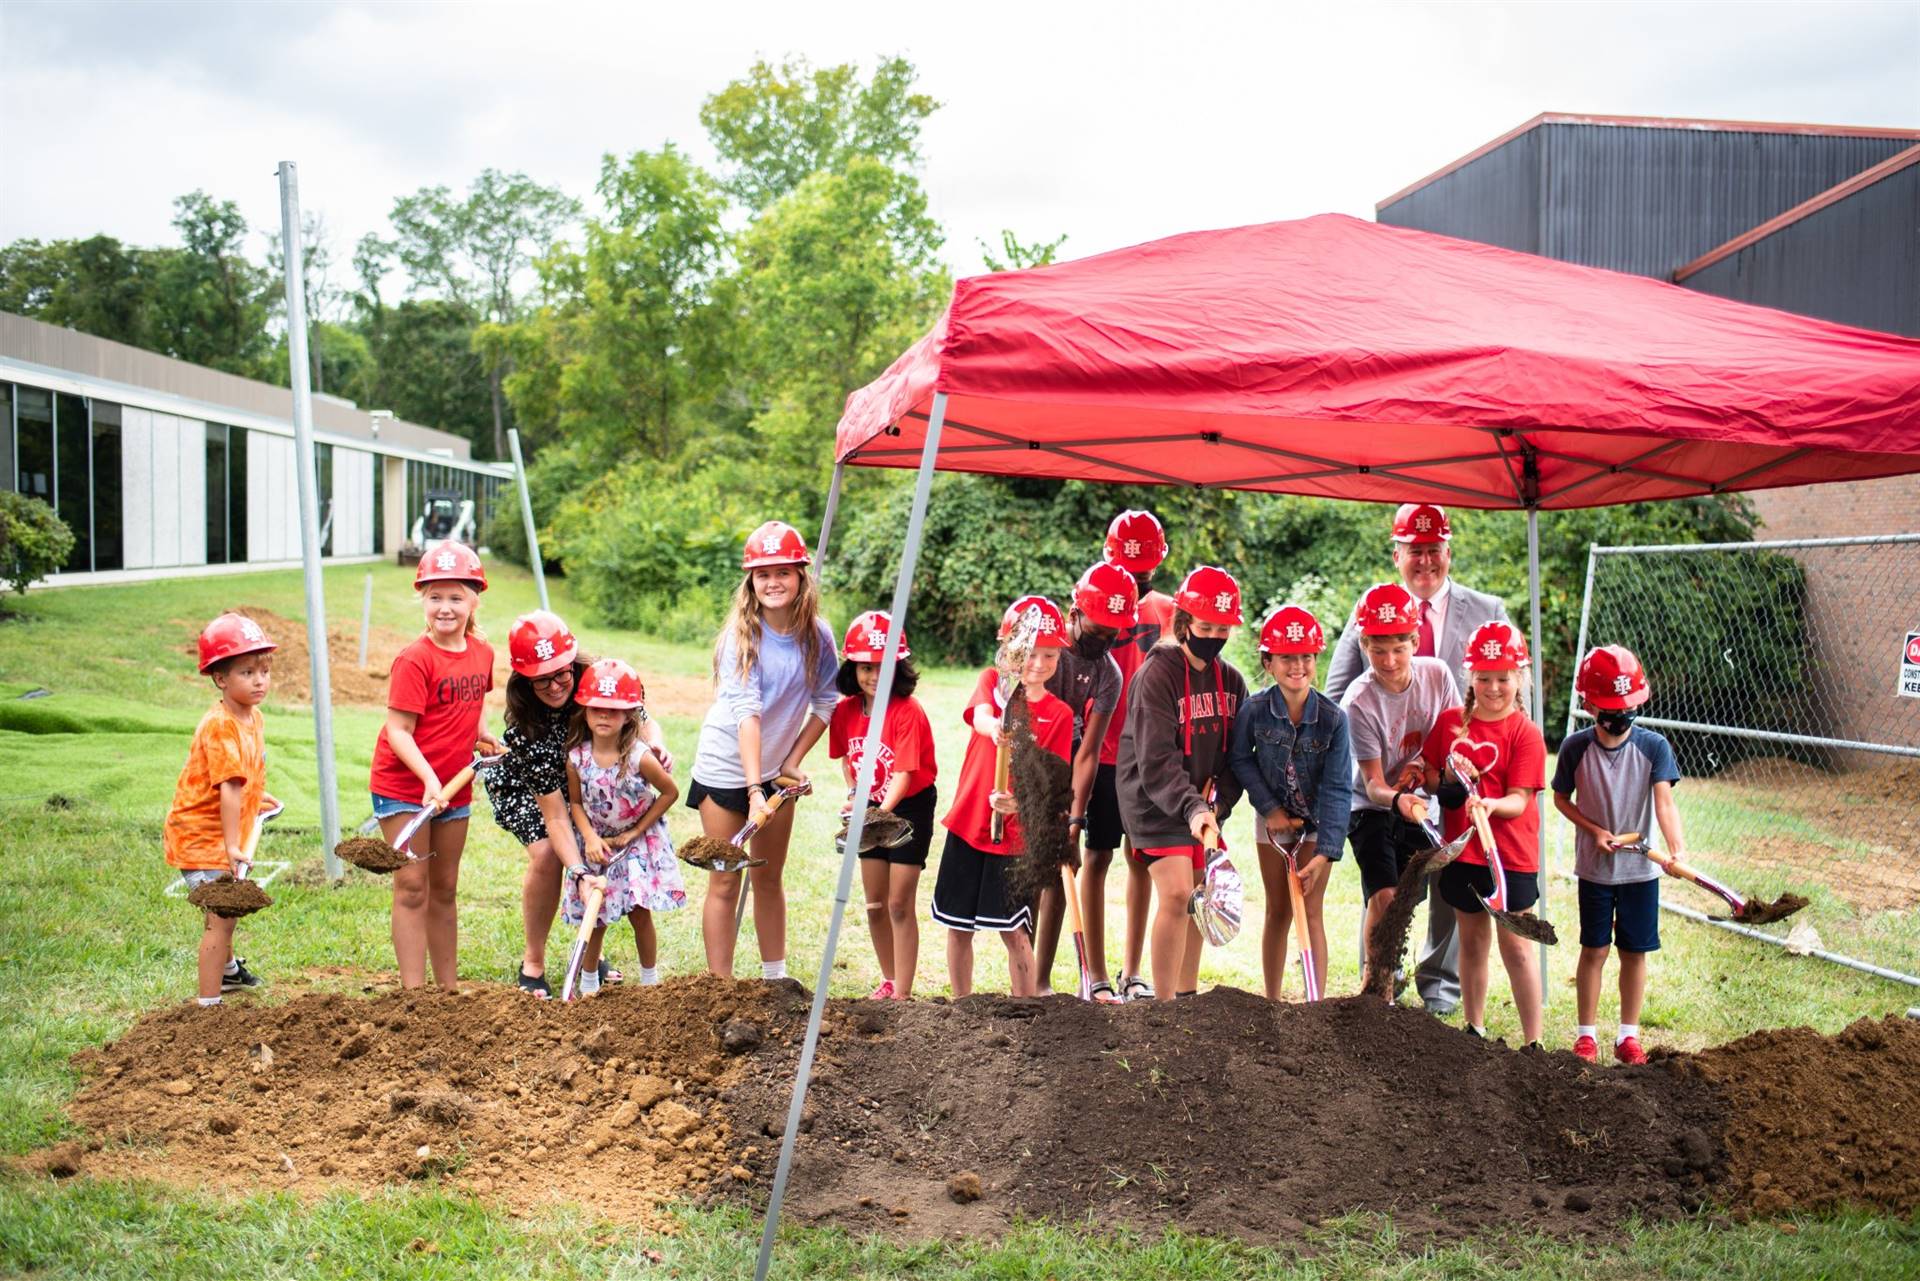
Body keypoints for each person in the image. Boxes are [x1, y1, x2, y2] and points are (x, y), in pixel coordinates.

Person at [1325, 503, 1513, 1016]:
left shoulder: (1487, 609)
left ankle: (1441, 983)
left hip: (1455, 773)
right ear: (1397, 555)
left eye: (1434, 550)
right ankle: (1382, 975)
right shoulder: (1372, 613)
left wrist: (1477, 770)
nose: (1425, 562)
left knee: (1451, 881)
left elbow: (1507, 699)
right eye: (1415, 551)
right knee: (1389, 889)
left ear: (1448, 551)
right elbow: (1340, 689)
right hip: (1384, 782)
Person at [485, 610, 670, 998]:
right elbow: (555, 815)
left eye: (561, 674)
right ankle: (533, 960)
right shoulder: (526, 729)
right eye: (541, 680)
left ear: (573, 662)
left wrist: (656, 743)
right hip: (531, 787)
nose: (555, 686)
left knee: (591, 849)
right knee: (551, 855)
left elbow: (642, 717)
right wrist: (580, 873)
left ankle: (591, 954)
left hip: (585, 784)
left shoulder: (597, 678)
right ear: (524, 679)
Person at [688, 521, 838, 979]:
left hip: (773, 773)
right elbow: (747, 714)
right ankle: (722, 986)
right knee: (726, 880)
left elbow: (826, 701)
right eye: (762, 573)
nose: (772, 582)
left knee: (769, 878)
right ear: (750, 582)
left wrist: (791, 762)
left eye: (783, 572)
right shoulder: (742, 637)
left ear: (801, 577)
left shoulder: (818, 635)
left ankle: (776, 979)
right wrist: (754, 788)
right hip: (726, 771)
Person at [1116, 566, 1249, 1002]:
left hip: (1201, 806)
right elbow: (1156, 761)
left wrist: (1218, 804)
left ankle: (1187, 998)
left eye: (1222, 628)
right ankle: (1164, 1006)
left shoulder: (1232, 681)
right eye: (1205, 625)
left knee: (1201, 894)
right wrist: (1193, 809)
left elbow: (1237, 758)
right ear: (1184, 622)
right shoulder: (1157, 675)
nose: (1213, 635)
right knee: (1176, 893)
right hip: (1153, 797)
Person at [933, 595, 1073, 997]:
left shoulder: (1059, 714)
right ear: (1008, 649)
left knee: (1015, 930)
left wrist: (1020, 804)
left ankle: (1027, 1009)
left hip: (1015, 839)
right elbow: (978, 716)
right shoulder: (993, 684)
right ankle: (962, 1004)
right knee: (958, 926)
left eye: (1050, 656)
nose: (1039, 664)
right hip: (968, 822)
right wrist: (995, 725)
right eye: (1029, 653)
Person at [369, 546, 496, 989]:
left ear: (474, 600)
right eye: (435, 597)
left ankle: (448, 991)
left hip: (455, 787)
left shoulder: (482, 653)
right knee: (412, 886)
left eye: (456, 597)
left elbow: (474, 703)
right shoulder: (414, 659)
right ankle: (414, 996)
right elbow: (399, 730)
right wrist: (427, 780)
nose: (445, 607)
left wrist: (483, 735)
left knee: (444, 889)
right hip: (405, 786)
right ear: (422, 599)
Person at [1553, 645, 1684, 1065]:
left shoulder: (1654, 747)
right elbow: (1560, 798)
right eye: (1610, 708)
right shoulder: (1576, 748)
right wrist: (1593, 830)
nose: (1619, 717)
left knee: (1634, 951)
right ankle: (1586, 1037)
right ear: (1590, 705)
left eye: (1627, 707)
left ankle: (1628, 1037)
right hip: (1595, 869)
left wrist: (1676, 850)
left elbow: (1664, 803)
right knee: (1594, 949)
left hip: (1640, 872)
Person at [1422, 622, 1548, 1045]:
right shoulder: (1449, 725)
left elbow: (1521, 800)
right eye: (1484, 678)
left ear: (1520, 679)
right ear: (1470, 678)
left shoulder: (1525, 733)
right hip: (1465, 856)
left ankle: (1534, 1040)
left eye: (1504, 678)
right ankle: (1474, 1027)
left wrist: (1491, 806)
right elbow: (1431, 774)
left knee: (1516, 947)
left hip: (1509, 857)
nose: (1494, 687)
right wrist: (1431, 782)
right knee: (1472, 943)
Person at [1339, 582, 1460, 998]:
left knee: (1406, 900)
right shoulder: (1359, 700)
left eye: (1398, 648)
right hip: (1371, 807)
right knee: (1385, 895)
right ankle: (1379, 989)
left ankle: (1380, 979)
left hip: (1420, 803)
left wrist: (1426, 768)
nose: (1388, 661)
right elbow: (1372, 785)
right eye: (1377, 650)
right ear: (1364, 645)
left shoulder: (1438, 676)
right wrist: (1399, 798)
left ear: (1415, 640)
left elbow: (1452, 739)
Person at [1228, 605, 1352, 1001]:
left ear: (1316, 660)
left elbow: (1337, 789)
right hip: (1272, 821)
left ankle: (1315, 1006)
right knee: (1278, 909)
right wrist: (1270, 810)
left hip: (1314, 824)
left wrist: (1326, 854)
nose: (1296, 666)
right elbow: (1240, 759)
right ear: (1268, 662)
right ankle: (1272, 1000)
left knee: (1310, 909)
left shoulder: (1334, 719)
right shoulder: (1255, 710)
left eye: (1305, 657)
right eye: (1285, 657)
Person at [1032, 561, 1134, 999]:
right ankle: (1025, 975)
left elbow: (1089, 751)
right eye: (1097, 631)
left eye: (1113, 635)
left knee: (1063, 867)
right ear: (1074, 613)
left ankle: (1041, 980)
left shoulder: (1109, 673)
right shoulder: (1046, 654)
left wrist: (1074, 818)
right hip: (1029, 756)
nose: (1104, 642)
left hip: (1072, 757)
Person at [166, 613, 278, 1005]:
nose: (259, 680)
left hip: (223, 832)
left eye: (264, 671)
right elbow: (228, 786)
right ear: (220, 678)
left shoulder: (253, 716)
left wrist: (257, 800)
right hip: (202, 838)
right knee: (221, 919)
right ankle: (209, 1005)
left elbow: (243, 779)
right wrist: (232, 846)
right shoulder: (220, 725)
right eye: (247, 672)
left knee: (222, 916)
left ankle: (229, 973)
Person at [1089, 510, 1177, 1001]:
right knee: (1097, 856)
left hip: (1149, 753)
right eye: (1130, 569)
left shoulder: (1169, 610)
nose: (1138, 580)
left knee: (1141, 858)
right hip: (1102, 752)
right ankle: (1096, 974)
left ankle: (1133, 970)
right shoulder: (1094, 597)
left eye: (1144, 572)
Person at [828, 611, 938, 1000]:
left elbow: (905, 774)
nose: (875, 675)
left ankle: (903, 995)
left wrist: (875, 814)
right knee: (875, 904)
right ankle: (889, 979)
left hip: (909, 806)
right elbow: (848, 759)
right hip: (873, 805)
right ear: (853, 668)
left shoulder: (908, 711)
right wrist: (857, 795)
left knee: (898, 903)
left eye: (884, 666)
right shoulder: (844, 711)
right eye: (866, 667)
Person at [563, 659, 685, 996]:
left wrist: (636, 831)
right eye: (597, 709)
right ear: (584, 710)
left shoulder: (639, 757)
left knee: (639, 912)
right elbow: (574, 803)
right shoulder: (577, 759)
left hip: (637, 843)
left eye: (614, 710)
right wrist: (588, 838)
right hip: (598, 842)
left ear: (630, 714)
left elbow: (670, 792)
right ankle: (588, 983)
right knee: (596, 913)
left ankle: (649, 981)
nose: (604, 716)